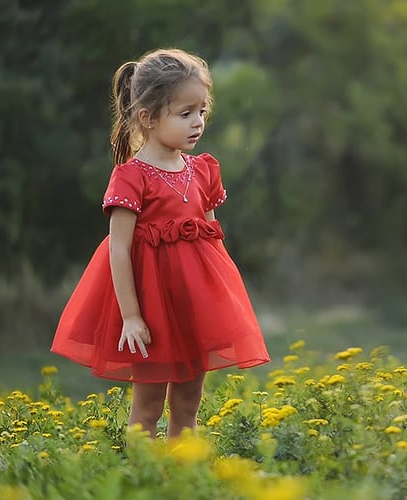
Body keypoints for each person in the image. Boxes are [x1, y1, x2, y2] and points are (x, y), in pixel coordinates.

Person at [51, 48, 270, 438]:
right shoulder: (132, 177)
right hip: (151, 311)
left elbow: (212, 239)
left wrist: (220, 303)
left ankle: (181, 479)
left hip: (192, 307)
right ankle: (147, 482)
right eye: (185, 114)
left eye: (202, 111)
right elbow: (118, 249)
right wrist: (132, 316)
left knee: (188, 403)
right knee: (148, 408)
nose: (198, 122)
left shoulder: (203, 170)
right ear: (148, 118)